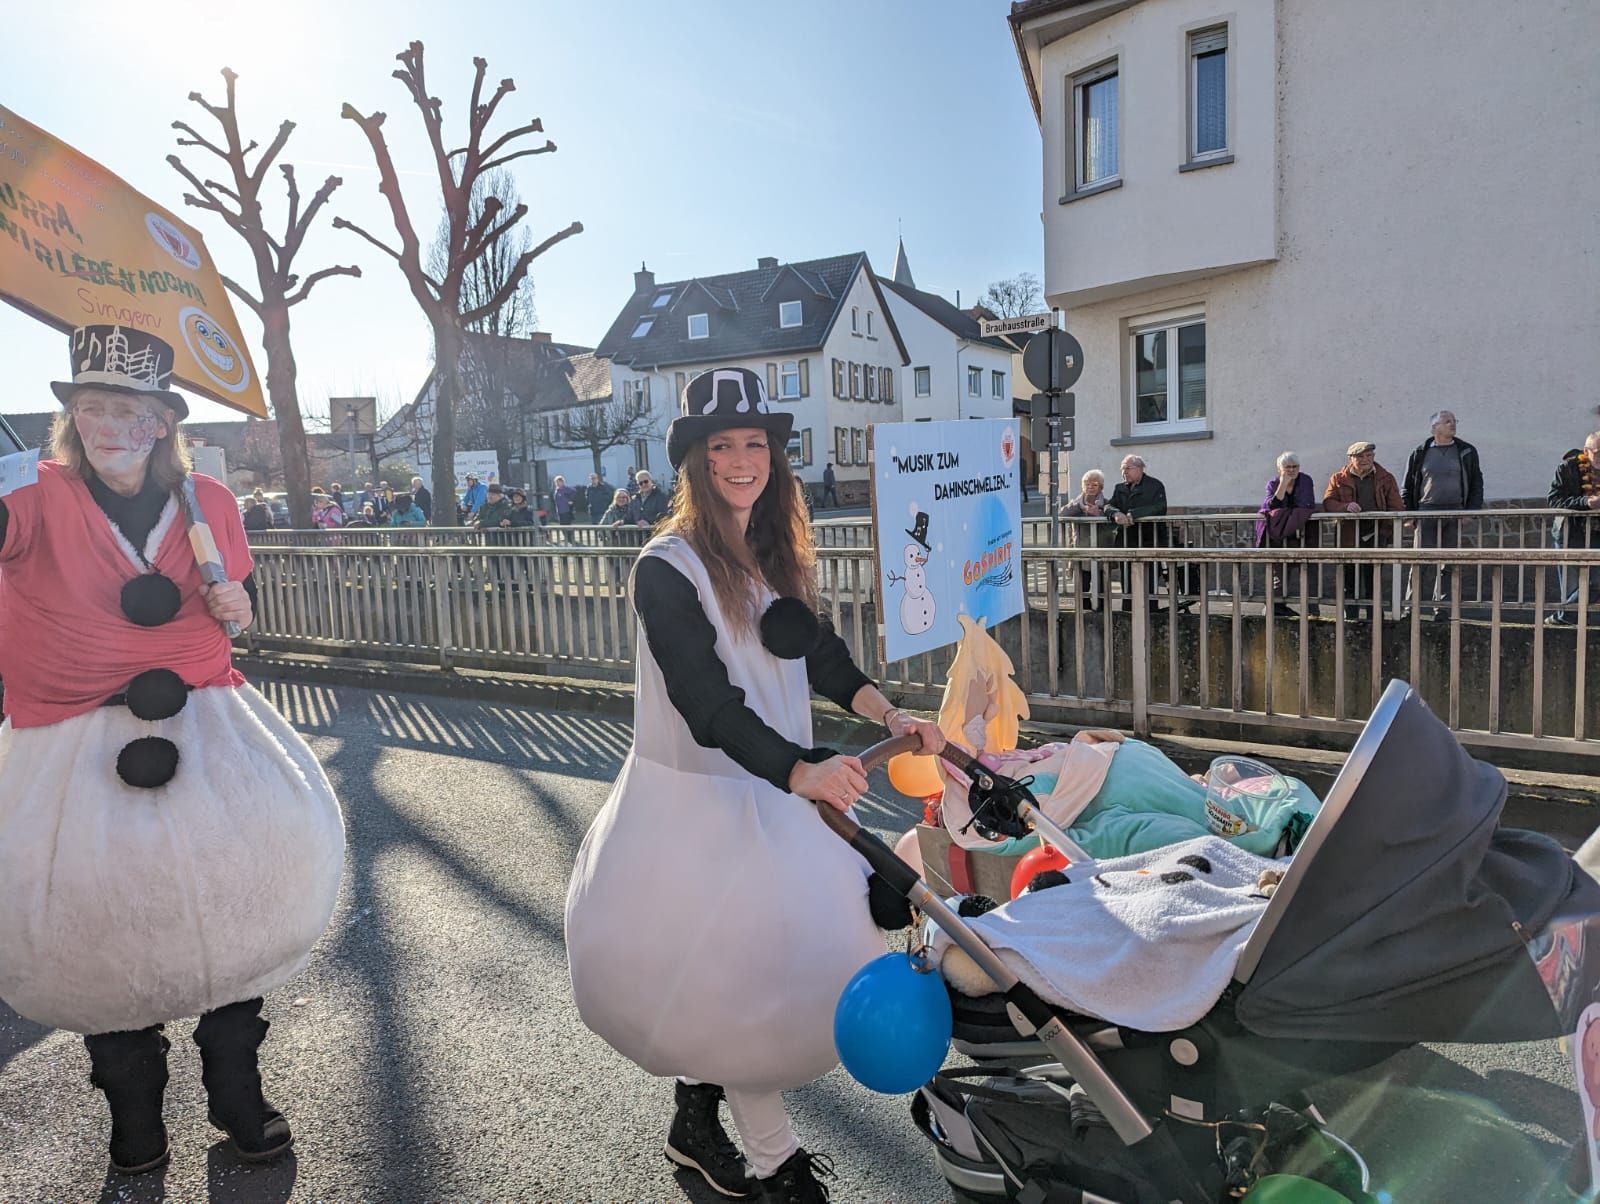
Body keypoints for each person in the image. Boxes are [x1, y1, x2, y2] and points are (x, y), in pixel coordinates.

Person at [566, 366, 944, 1202]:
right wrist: (802, 769)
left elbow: (822, 658)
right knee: (736, 979)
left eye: (756, 444)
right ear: (695, 463)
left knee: (738, 977)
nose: (742, 461)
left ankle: (694, 1122)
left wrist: (890, 713)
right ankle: (779, 1169)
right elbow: (706, 703)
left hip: (778, 796)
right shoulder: (665, 568)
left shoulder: (772, 557)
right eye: (722, 447)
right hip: (698, 806)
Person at [0, 324, 343, 1176]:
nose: (109, 427)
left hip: (206, 722)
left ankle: (236, 1088)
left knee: (245, 896)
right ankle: (133, 1109)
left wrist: (240, 607)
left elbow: (237, 597)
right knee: (91, 925)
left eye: (130, 412)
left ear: (161, 424)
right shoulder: (29, 493)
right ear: (71, 420)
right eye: (92, 409)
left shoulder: (208, 501)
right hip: (72, 741)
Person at [1402, 410, 1483, 620]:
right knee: (1419, 562)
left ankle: (1443, 608)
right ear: (1434, 427)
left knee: (1449, 563)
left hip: (1455, 512)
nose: (1452, 425)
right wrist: (1409, 515)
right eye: (1447, 421)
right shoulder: (1420, 452)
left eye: (1454, 421)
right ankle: (1411, 608)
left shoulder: (1466, 451)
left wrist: (1471, 512)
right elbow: (1408, 485)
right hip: (1426, 512)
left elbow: (1476, 482)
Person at [1323, 441, 1404, 620]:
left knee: (1373, 580)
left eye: (1369, 455)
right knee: (1349, 580)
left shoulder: (1385, 478)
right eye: (1360, 456)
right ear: (1351, 458)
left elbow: (1396, 506)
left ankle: (1375, 620)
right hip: (1348, 536)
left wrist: (1385, 532)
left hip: (1375, 535)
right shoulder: (1338, 478)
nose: (1365, 459)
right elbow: (1329, 502)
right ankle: (1350, 620)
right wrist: (1345, 506)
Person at [1255, 452, 1320, 617]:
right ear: (1279, 469)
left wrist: (1283, 513)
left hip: (1304, 535)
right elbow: (1271, 506)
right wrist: (1283, 485)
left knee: (1309, 572)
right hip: (1280, 537)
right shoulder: (1273, 483)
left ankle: (1312, 612)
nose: (1292, 470)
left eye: (1295, 466)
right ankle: (1276, 608)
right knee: (1279, 572)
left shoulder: (1305, 480)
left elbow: (1306, 504)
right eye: (1287, 467)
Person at [1102, 454, 1170, 610]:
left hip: (1149, 540)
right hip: (1127, 541)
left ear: (1140, 468)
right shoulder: (1120, 488)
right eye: (1122, 469)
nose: (1124, 472)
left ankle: (1151, 614)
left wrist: (1135, 514)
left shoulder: (1154, 486)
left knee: (1149, 582)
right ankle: (1127, 615)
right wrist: (1115, 514)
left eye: (1127, 468)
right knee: (1127, 583)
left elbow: (1160, 507)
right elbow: (1108, 506)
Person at [1547, 431, 1600, 626]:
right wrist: (1585, 502)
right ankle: (1569, 623)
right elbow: (1554, 499)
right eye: (1598, 452)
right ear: (1586, 451)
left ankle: (1565, 617)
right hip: (1571, 532)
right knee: (1571, 585)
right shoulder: (1568, 468)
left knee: (1596, 582)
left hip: (1597, 533)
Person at [1062, 468, 1110, 610]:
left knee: (1101, 588)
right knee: (1081, 587)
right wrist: (1080, 508)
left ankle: (1102, 613)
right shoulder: (1076, 502)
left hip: (1100, 551)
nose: (1090, 487)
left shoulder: (1106, 503)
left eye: (1094, 484)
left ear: (1101, 487)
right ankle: (1084, 614)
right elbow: (1062, 514)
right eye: (1087, 484)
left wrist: (1099, 514)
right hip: (1080, 552)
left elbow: (1112, 521)